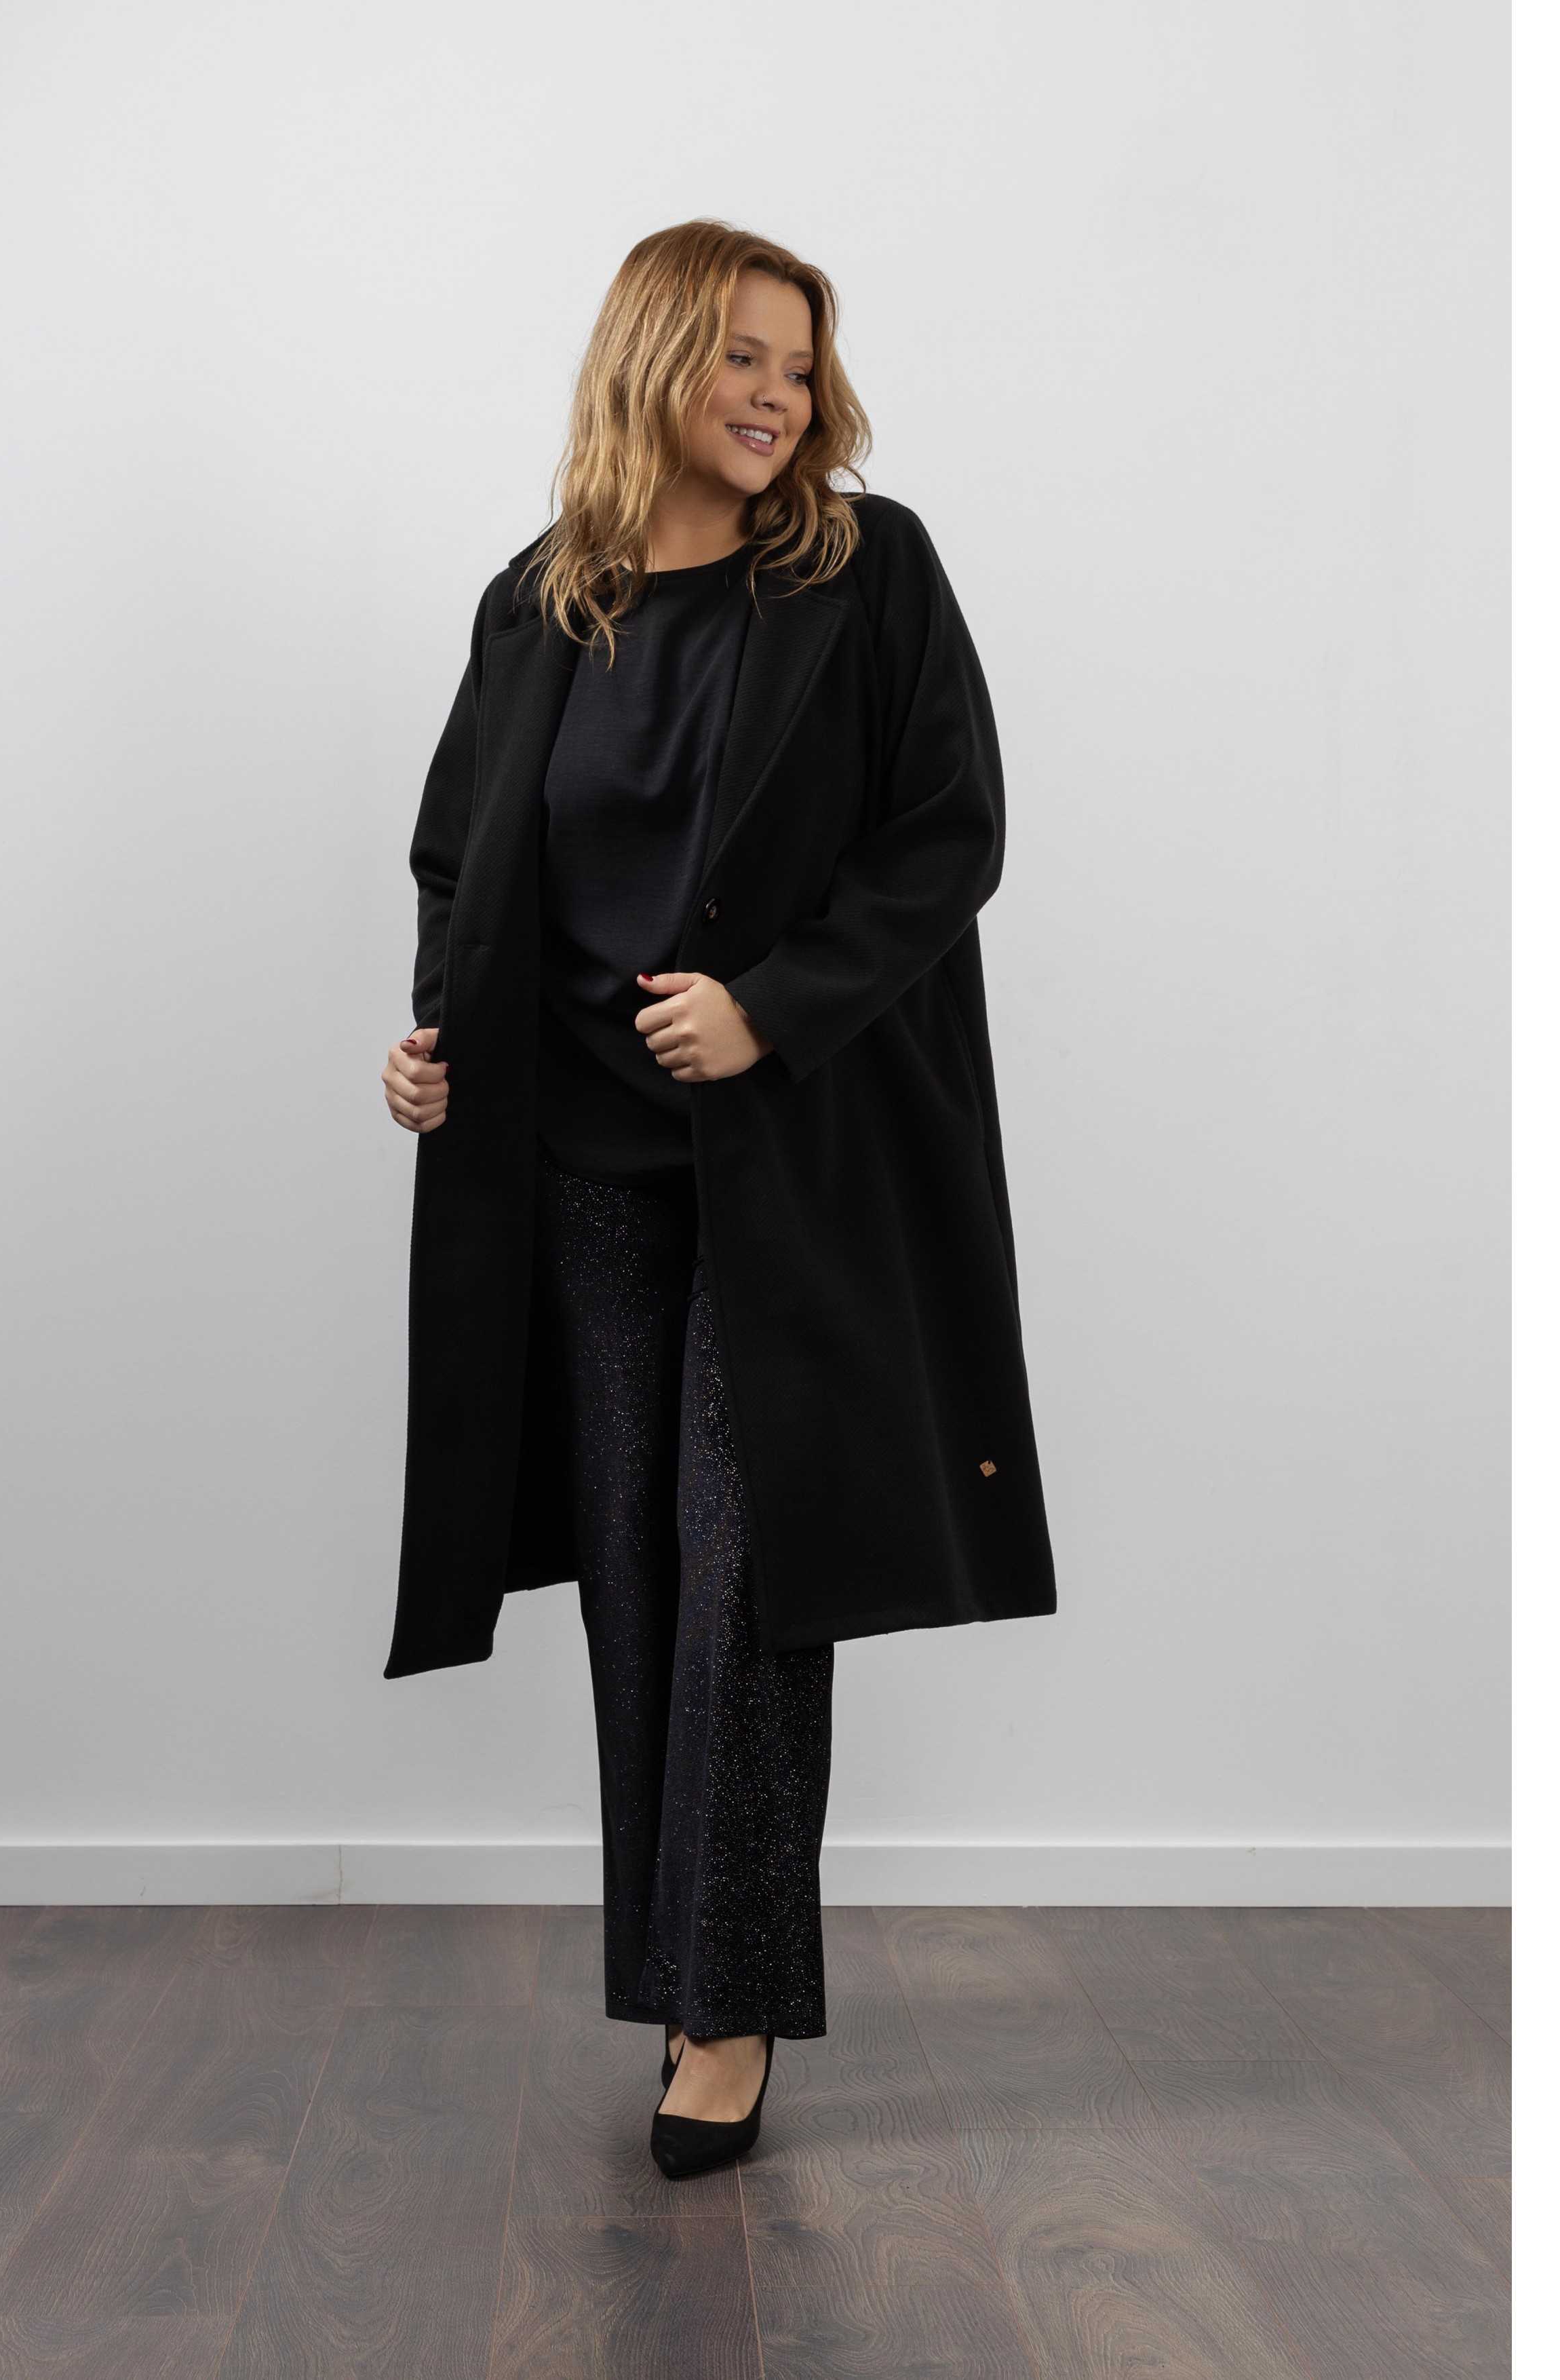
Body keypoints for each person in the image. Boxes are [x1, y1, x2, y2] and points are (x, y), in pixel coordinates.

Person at [380, 218, 1056, 2180]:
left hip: (792, 1174)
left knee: (746, 1567)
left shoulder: (866, 571)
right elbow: (460, 862)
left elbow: (950, 834)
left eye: (799, 362)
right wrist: (434, 1040)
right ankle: (680, 1980)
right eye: (741, 355)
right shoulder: (537, 605)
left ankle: (729, 2006)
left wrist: (775, 1007)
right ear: (654, 358)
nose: (775, 394)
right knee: (640, 1574)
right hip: (578, 1170)